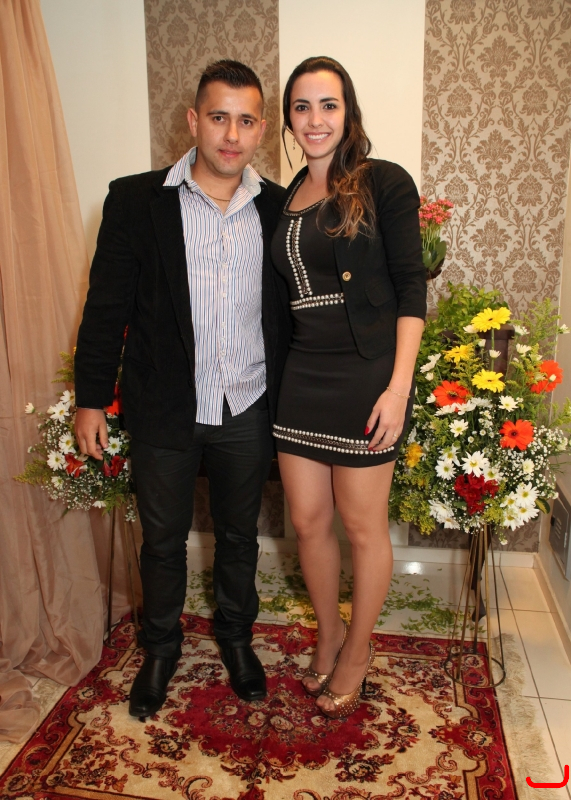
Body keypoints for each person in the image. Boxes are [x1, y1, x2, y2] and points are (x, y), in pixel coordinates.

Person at [74, 60, 290, 718]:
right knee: (163, 542)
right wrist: (90, 398)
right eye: (219, 117)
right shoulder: (135, 201)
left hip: (246, 403)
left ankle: (236, 640)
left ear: (261, 130)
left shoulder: (281, 208)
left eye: (246, 121)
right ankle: (161, 648)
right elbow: (106, 307)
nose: (232, 134)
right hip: (166, 405)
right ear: (194, 121)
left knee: (239, 537)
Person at [272, 56, 427, 719]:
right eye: (301, 106)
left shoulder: (383, 182)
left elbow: (411, 287)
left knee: (363, 528)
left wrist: (397, 389)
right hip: (301, 375)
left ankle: (358, 653)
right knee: (308, 522)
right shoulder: (282, 198)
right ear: (288, 119)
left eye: (328, 105)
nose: (315, 119)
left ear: (348, 113)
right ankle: (329, 635)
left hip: (365, 374)